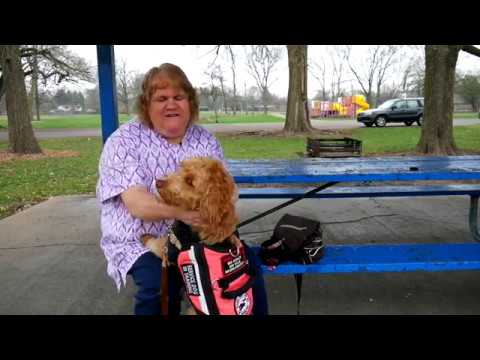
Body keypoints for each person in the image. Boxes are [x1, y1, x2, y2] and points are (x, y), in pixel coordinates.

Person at [96, 63, 268, 315]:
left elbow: (226, 191)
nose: (171, 104)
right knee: (159, 285)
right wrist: (184, 214)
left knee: (248, 265)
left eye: (179, 97)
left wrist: (215, 213)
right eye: (161, 98)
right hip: (139, 237)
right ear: (146, 105)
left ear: (190, 102)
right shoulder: (123, 141)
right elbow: (137, 204)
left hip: (199, 231)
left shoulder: (205, 140)